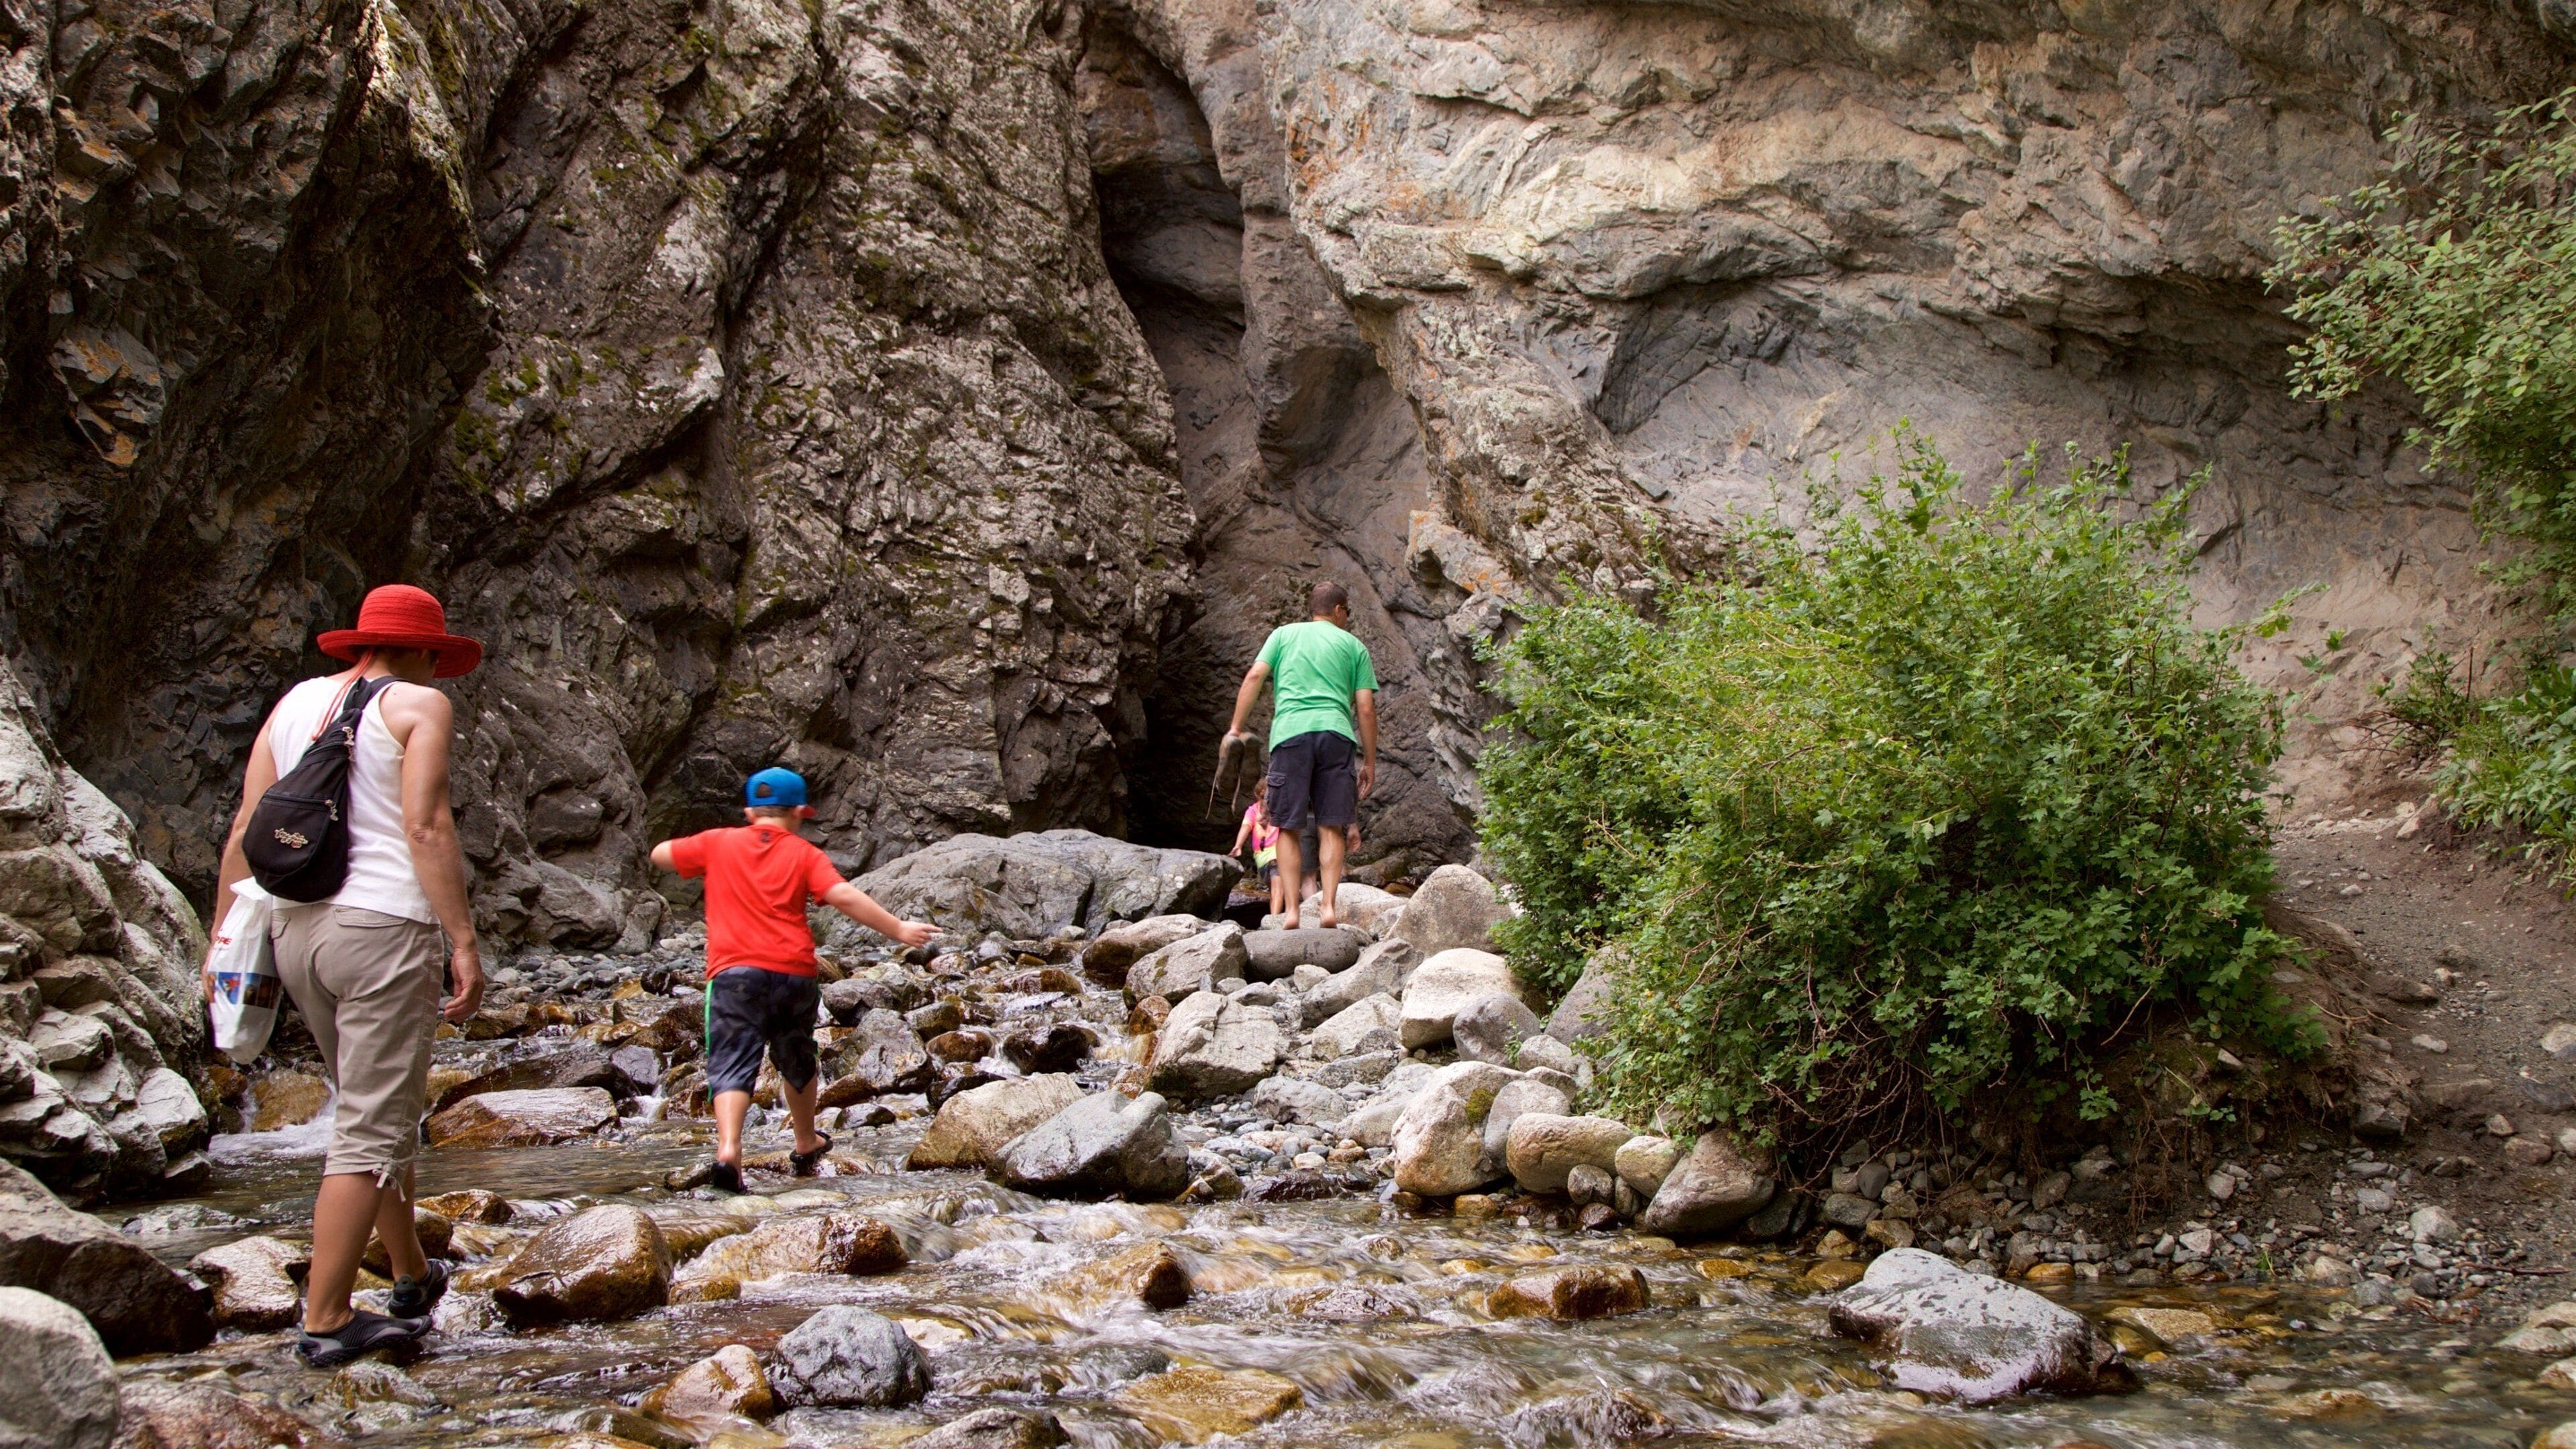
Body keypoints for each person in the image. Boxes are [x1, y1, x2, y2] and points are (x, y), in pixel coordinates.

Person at [208, 584, 486, 1367]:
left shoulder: (294, 703)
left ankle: (408, 1274)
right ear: (428, 653)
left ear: (360, 641)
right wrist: (461, 939)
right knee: (367, 1130)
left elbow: (245, 824)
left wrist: (222, 937)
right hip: (383, 929)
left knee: (374, 1112)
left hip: (293, 928)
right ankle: (326, 1318)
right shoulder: (418, 707)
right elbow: (425, 825)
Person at [650, 768, 938, 1193]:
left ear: (750, 810)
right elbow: (842, 895)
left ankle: (729, 1150)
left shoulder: (718, 843)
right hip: (793, 974)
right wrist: (898, 929)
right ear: (801, 812)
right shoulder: (805, 854)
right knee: (796, 1052)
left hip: (734, 974)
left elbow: (661, 855)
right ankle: (805, 1140)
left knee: (732, 1059)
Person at [1223, 580, 1377, 928]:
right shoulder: (1354, 646)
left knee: (1288, 827)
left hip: (1290, 735)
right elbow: (1366, 709)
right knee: (1331, 825)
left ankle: (1292, 912)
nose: (1347, 619)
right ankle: (1327, 909)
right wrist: (1369, 761)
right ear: (1339, 611)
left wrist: (1236, 727)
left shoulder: (1282, 635)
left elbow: (1255, 676)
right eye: (1347, 613)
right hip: (1336, 735)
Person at [1228, 780, 1283, 916]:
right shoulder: (1280, 808)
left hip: (1262, 858)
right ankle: (1275, 920)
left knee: (1273, 891)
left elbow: (1245, 827)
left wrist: (1238, 846)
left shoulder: (1253, 811)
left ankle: (1274, 918)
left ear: (1256, 794)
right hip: (1280, 853)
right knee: (1278, 891)